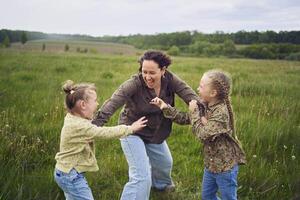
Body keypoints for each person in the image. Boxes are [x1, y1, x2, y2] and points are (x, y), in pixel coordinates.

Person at [92, 51, 200, 200]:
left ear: (163, 70)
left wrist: (203, 112)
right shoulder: (134, 84)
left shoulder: (171, 80)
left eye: (152, 72)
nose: (147, 77)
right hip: (132, 130)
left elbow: (190, 96)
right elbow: (112, 103)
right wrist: (92, 128)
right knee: (142, 176)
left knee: (165, 163)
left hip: (156, 131)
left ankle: (161, 187)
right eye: (144, 72)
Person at [150, 70, 246, 200]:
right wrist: (164, 107)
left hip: (225, 167)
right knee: (207, 197)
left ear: (213, 93)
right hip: (211, 164)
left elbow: (202, 134)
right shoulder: (205, 105)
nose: (197, 89)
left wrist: (195, 113)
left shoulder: (221, 113)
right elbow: (185, 118)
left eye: (201, 86)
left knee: (228, 197)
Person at [54, 80, 147, 200]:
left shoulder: (72, 118)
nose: (97, 104)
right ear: (83, 105)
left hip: (64, 171)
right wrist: (131, 128)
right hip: (71, 176)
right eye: (95, 101)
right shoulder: (81, 126)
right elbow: (104, 132)